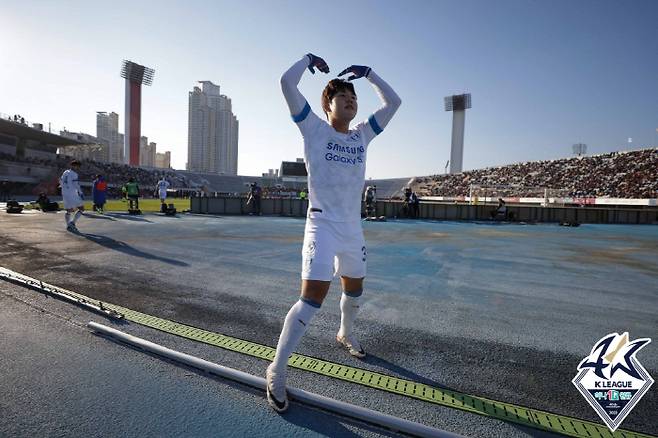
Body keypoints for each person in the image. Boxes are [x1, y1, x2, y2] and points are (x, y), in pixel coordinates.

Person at [266, 52, 401, 413]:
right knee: (312, 298)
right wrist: (307, 59)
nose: (351, 101)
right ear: (328, 104)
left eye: (354, 98)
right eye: (344, 97)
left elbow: (395, 102)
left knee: (354, 290)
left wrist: (370, 73)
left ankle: (345, 332)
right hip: (322, 224)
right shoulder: (314, 127)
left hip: (352, 230)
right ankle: (277, 370)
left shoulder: (362, 136)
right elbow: (286, 83)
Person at [60, 160, 85, 232]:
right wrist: (80, 192)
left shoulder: (65, 172)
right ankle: (73, 222)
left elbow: (61, 181)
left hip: (65, 193)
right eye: (78, 166)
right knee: (81, 208)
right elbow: (76, 184)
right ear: (75, 166)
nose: (78, 168)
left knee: (69, 210)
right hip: (72, 193)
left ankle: (68, 225)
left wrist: (63, 188)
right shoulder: (74, 174)